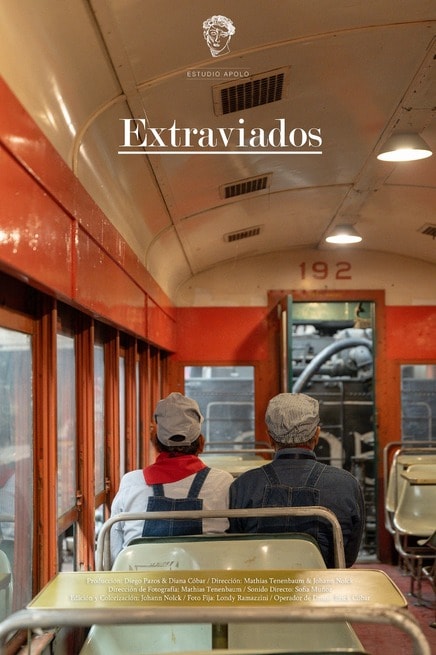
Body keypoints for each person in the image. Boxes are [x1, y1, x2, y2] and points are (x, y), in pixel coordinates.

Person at [228, 393, 365, 568]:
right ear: (316, 435)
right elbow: (348, 557)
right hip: (326, 584)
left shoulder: (243, 485)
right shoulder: (346, 484)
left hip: (261, 584)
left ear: (270, 438)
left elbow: (237, 550)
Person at [110, 392, 234, 564]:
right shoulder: (222, 481)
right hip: (206, 578)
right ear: (200, 441)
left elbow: (114, 553)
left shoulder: (131, 482)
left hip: (142, 578)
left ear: (156, 441)